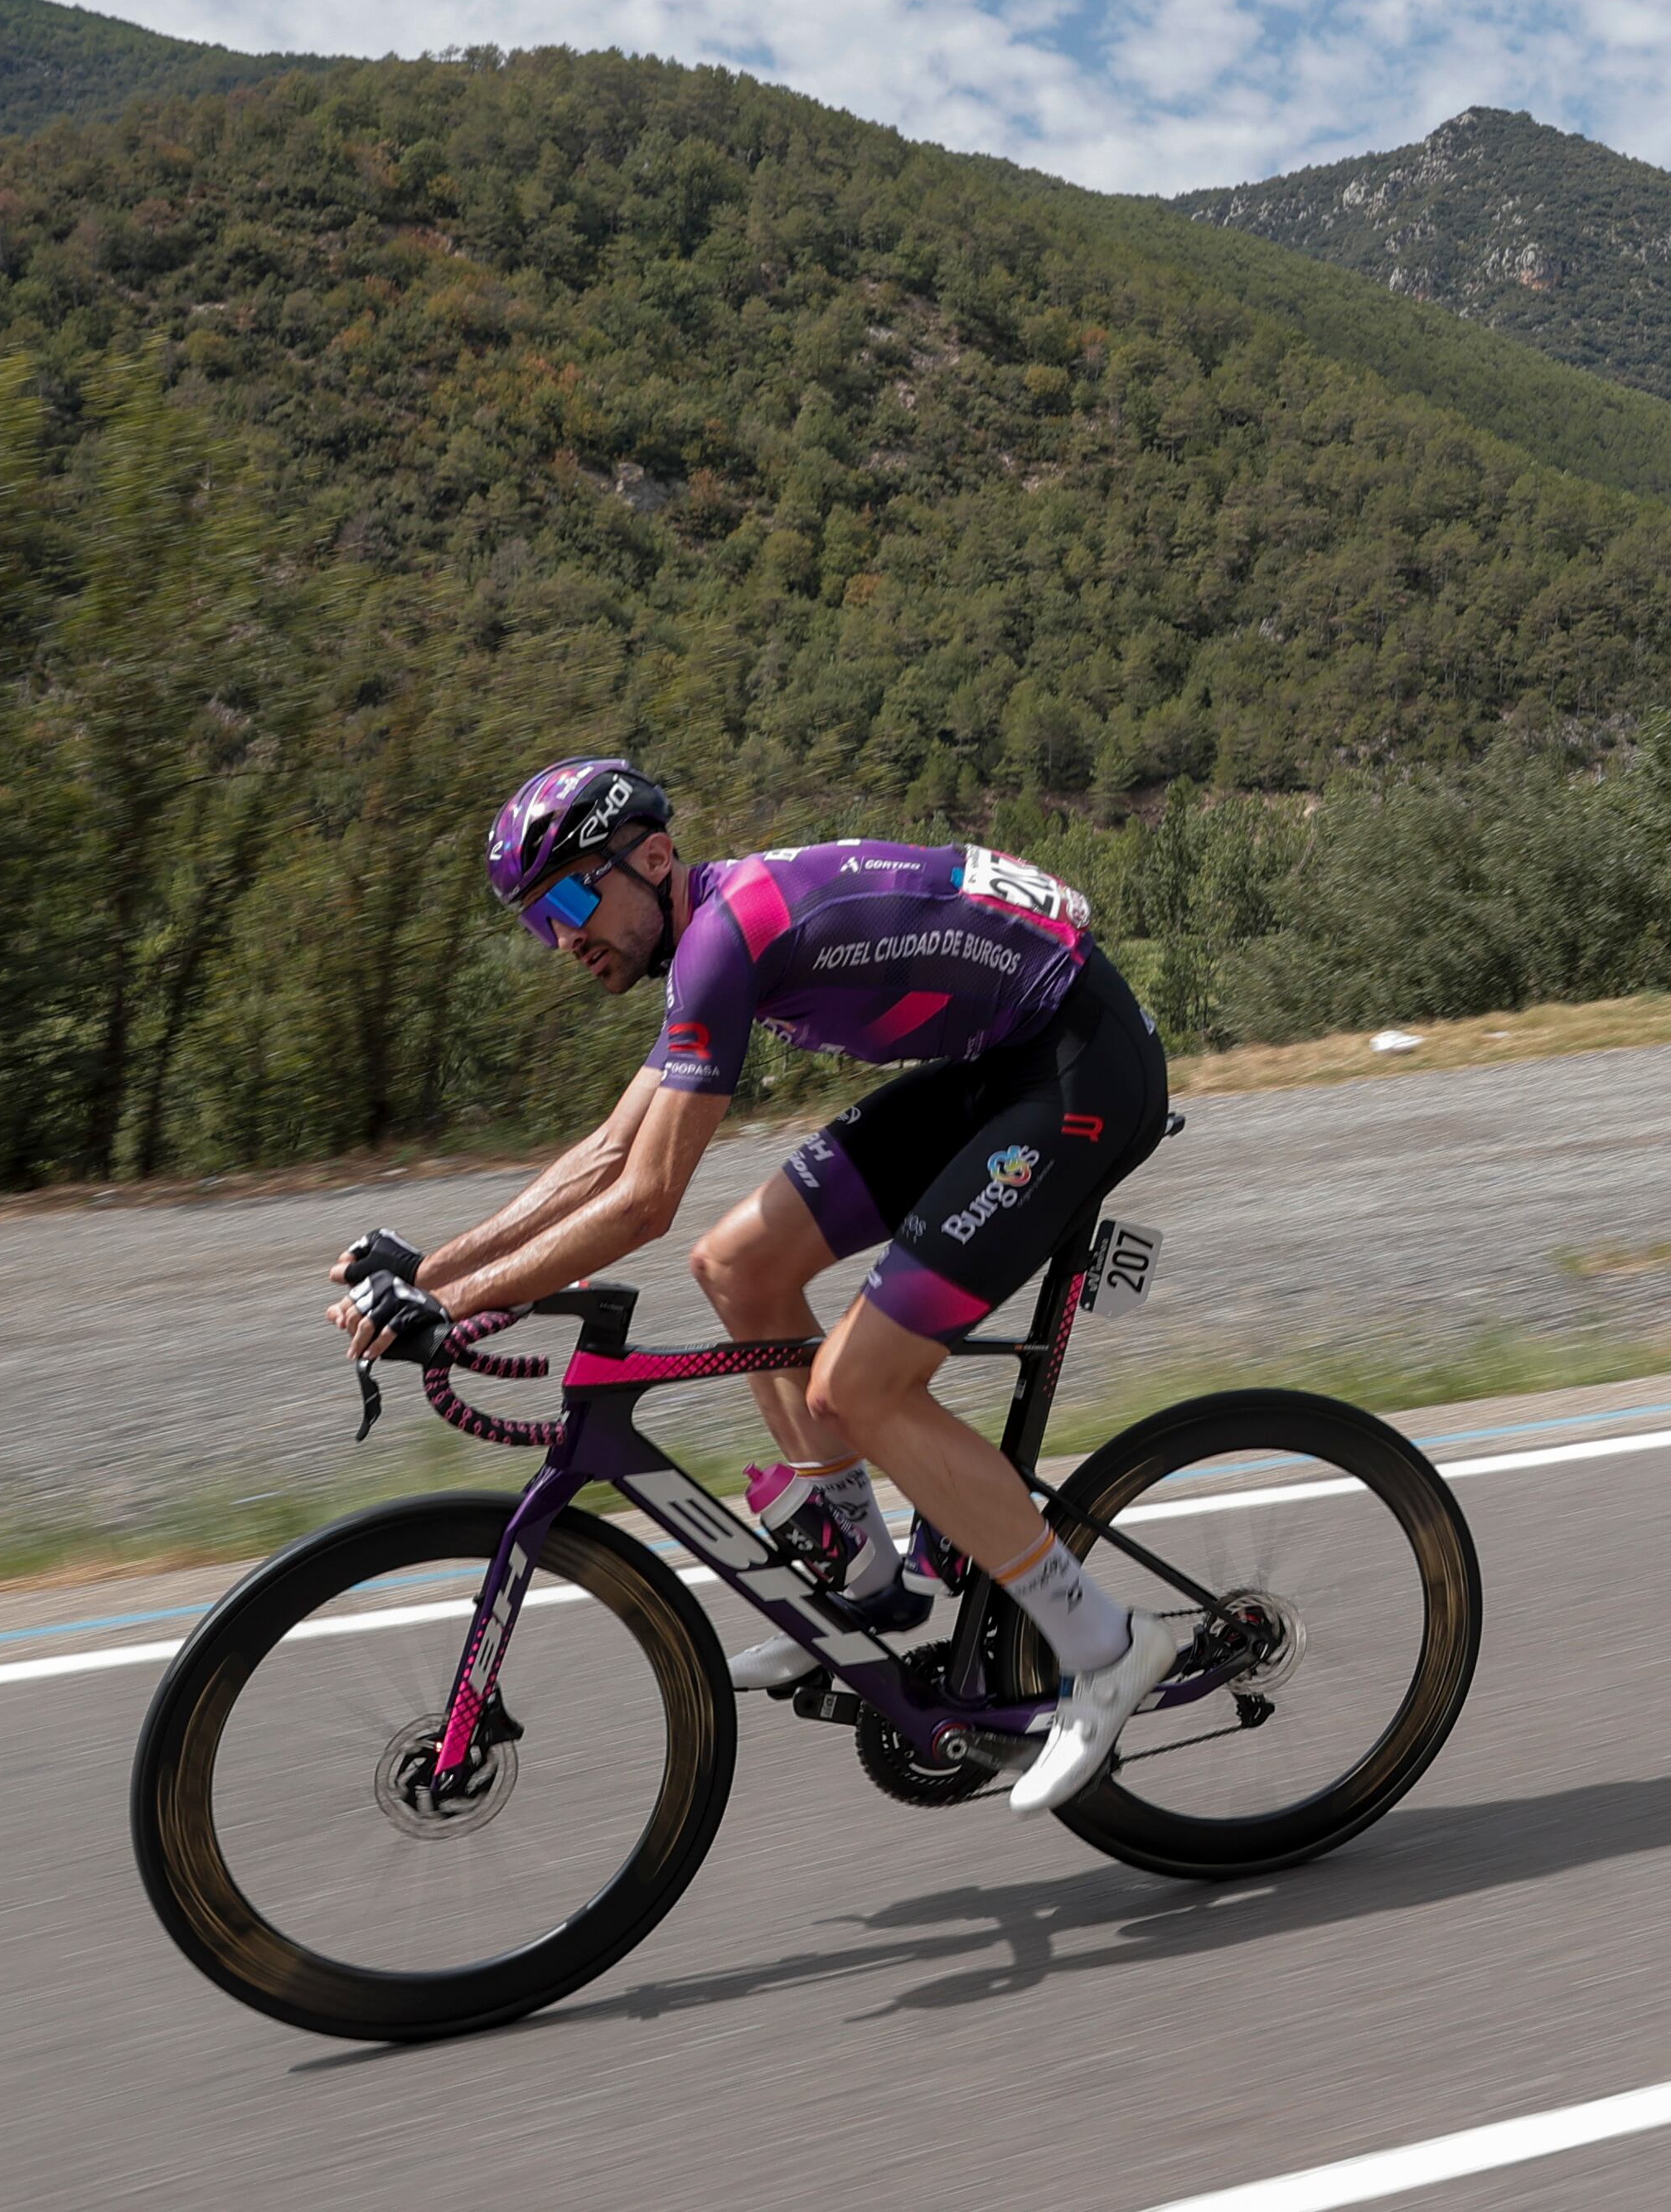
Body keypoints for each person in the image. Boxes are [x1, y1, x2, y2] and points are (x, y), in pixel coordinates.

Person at [325, 758, 1176, 1813]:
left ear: (650, 857)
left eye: (573, 902)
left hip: (1078, 1069)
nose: (564, 939)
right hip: (1002, 1062)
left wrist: (446, 1308)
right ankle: (863, 1577)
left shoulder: (724, 940)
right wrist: (431, 1267)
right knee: (738, 1264)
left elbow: (642, 1200)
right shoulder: (709, 938)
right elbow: (606, 1152)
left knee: (859, 1387)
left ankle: (1104, 1642)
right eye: (540, 922)